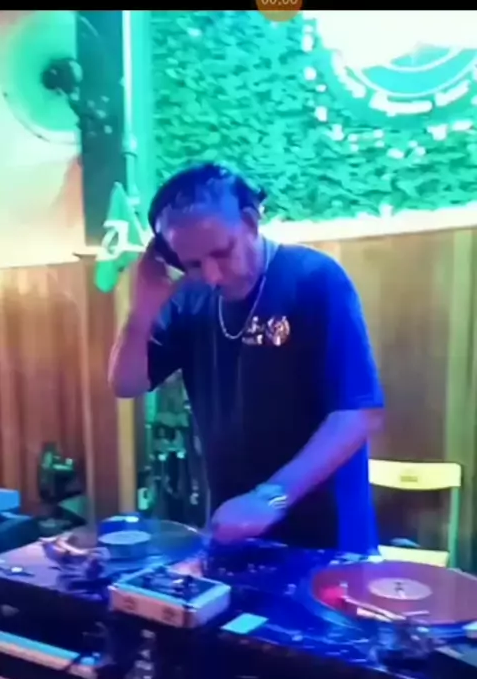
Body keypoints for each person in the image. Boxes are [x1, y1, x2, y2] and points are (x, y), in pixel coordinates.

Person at [109, 164, 384, 552]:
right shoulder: (189, 297)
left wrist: (270, 497)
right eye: (192, 263)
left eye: (222, 253)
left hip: (328, 541)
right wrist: (141, 312)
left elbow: (359, 412)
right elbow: (126, 384)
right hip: (237, 538)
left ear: (251, 222)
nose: (211, 274)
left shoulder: (315, 279)